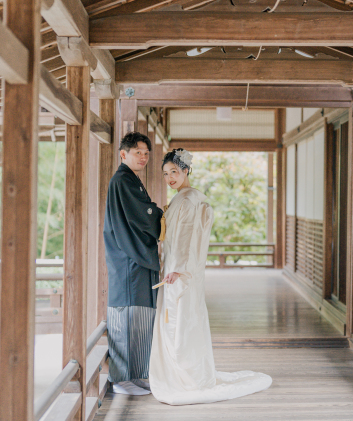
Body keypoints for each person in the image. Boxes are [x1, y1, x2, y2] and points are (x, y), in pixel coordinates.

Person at [149, 148, 272, 404]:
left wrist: (177, 269)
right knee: (186, 319)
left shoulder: (187, 200)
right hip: (182, 269)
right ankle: (188, 372)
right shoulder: (188, 198)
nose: (170, 178)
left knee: (179, 321)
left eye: (174, 172)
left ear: (186, 171)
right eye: (166, 174)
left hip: (179, 272)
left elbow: (186, 238)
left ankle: (184, 376)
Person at [103, 132, 163, 396]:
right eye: (138, 152)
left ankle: (137, 374)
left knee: (139, 317)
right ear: (123, 154)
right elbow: (143, 214)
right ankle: (121, 379)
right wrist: (160, 214)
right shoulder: (122, 180)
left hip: (135, 256)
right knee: (126, 316)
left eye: (146, 153)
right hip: (127, 257)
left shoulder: (131, 179)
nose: (143, 157)